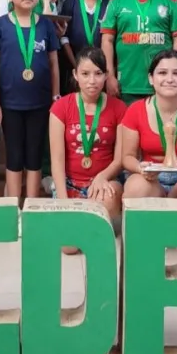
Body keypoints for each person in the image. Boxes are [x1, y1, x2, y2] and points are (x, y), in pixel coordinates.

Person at [0, 0, 60, 199]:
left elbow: (54, 64)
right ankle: (13, 204)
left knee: (35, 155)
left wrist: (56, 97)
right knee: (14, 155)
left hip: (40, 103)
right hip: (9, 104)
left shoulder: (46, 25)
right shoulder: (0, 26)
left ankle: (32, 205)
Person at [120, 50, 177, 208]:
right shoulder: (135, 110)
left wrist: (172, 196)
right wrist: (139, 168)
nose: (170, 79)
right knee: (136, 189)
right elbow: (127, 157)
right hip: (150, 178)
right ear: (151, 78)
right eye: (162, 73)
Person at [49, 47, 126, 222]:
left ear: (106, 75)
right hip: (69, 183)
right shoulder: (60, 108)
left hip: (104, 182)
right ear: (75, 75)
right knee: (67, 236)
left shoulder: (119, 108)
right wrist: (63, 201)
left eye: (98, 73)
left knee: (99, 213)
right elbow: (57, 160)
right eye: (85, 74)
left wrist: (102, 177)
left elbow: (120, 159)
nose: (92, 81)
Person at [58, 0, 110, 93]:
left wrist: (103, 69)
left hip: (102, 72)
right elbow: (64, 38)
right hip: (75, 72)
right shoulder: (70, 4)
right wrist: (77, 67)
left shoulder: (111, 4)